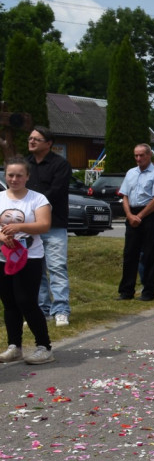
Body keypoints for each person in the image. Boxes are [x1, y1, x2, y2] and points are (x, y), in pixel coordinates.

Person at [0, 158, 54, 365]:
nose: (14, 179)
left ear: (27, 177)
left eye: (19, 175)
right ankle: (15, 346)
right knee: (9, 302)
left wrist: (19, 227)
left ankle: (44, 347)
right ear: (5, 176)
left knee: (27, 301)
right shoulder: (1, 197)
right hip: (3, 258)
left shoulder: (37, 199)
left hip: (29, 258)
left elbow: (44, 225)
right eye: (10, 175)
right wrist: (2, 237)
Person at [26, 127, 72, 327]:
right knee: (35, 270)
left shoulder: (60, 165)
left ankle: (61, 310)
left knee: (56, 268)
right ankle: (42, 310)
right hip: (31, 227)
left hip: (54, 225)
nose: (32, 141)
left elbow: (55, 192)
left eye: (37, 138)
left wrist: (33, 208)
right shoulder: (25, 164)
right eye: (30, 138)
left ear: (49, 143)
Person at [118, 144, 154, 301]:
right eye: (136, 156)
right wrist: (129, 215)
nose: (138, 159)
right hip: (131, 212)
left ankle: (148, 291)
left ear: (149, 155)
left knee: (149, 254)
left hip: (149, 214)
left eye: (141, 155)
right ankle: (126, 290)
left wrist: (140, 216)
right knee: (129, 253)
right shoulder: (131, 173)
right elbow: (124, 195)